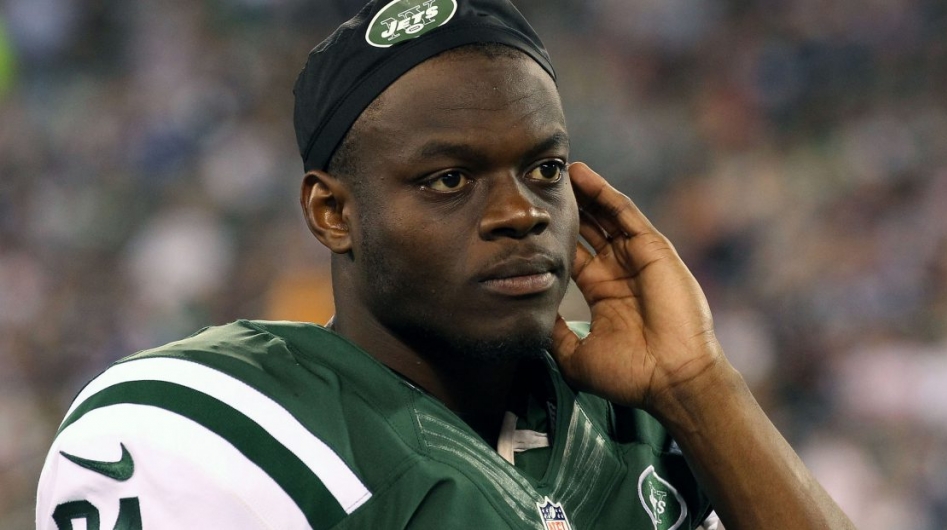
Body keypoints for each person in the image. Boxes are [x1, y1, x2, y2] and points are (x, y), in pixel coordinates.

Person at [36, 0, 855, 528]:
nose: (519, 213)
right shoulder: (192, 426)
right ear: (333, 212)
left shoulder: (639, 419)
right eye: (449, 179)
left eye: (543, 169)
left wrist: (699, 385)